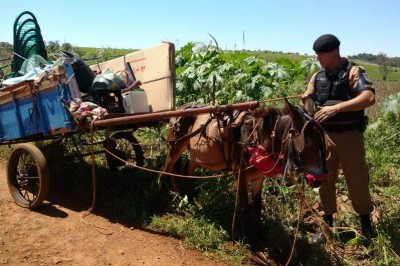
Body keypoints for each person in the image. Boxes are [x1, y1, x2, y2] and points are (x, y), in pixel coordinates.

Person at [301, 34, 376, 244]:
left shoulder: (353, 71)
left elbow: (369, 97)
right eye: (316, 55)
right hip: (324, 137)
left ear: (334, 52)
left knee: (357, 179)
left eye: (321, 55)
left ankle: (366, 226)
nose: (318, 59)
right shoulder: (317, 77)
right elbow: (308, 100)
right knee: (324, 179)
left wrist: (337, 108)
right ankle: (327, 226)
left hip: (349, 137)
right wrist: (306, 101)